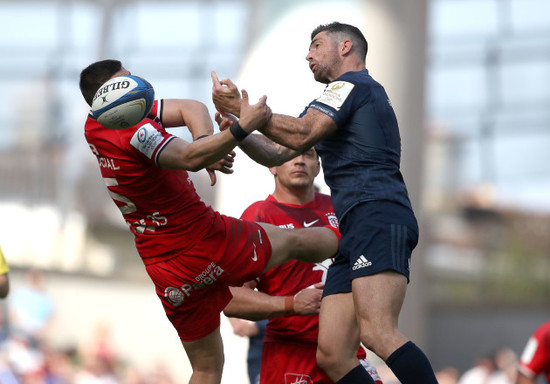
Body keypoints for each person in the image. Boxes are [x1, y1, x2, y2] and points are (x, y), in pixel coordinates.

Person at [79, 59, 340, 384]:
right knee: (297, 240)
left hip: (165, 269)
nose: (136, 83)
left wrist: (204, 141)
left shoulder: (98, 122)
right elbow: (188, 158)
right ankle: (359, 239)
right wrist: (243, 127)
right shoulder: (134, 131)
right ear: (109, 96)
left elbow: (191, 107)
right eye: (126, 81)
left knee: (206, 369)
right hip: (203, 240)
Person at [211, 22, 438, 384]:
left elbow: (301, 132)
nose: (308, 55)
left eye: (316, 45)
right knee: (333, 353)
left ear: (346, 47)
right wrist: (240, 126)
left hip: (376, 214)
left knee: (377, 332)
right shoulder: (341, 97)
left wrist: (244, 106)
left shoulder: (352, 85)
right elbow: (278, 151)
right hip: (354, 227)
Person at [223, 148, 382, 384]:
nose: (299, 161)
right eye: (290, 155)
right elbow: (229, 299)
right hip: (290, 355)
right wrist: (292, 304)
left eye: (308, 155)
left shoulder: (341, 209)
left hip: (348, 352)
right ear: (272, 165)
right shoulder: (257, 216)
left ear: (318, 167)